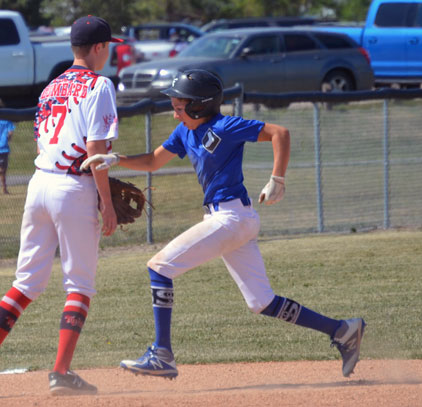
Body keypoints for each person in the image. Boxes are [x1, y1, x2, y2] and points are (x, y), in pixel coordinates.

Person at [81, 69, 366, 380]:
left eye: (179, 107)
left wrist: (278, 179)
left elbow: (279, 133)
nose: (175, 114)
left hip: (231, 217)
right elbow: (152, 161)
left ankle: (162, 353)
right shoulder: (184, 133)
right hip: (230, 220)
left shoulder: (225, 125)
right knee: (262, 302)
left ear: (198, 106)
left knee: (160, 267)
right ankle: (342, 330)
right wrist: (117, 159)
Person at [0, 15, 122, 396]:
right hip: (74, 187)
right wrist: (106, 202)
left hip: (39, 184)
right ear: (97, 47)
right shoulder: (100, 85)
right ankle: (61, 373)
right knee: (79, 284)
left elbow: (40, 142)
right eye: (108, 45)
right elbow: (96, 149)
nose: (109, 51)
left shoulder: (51, 87)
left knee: (27, 281)